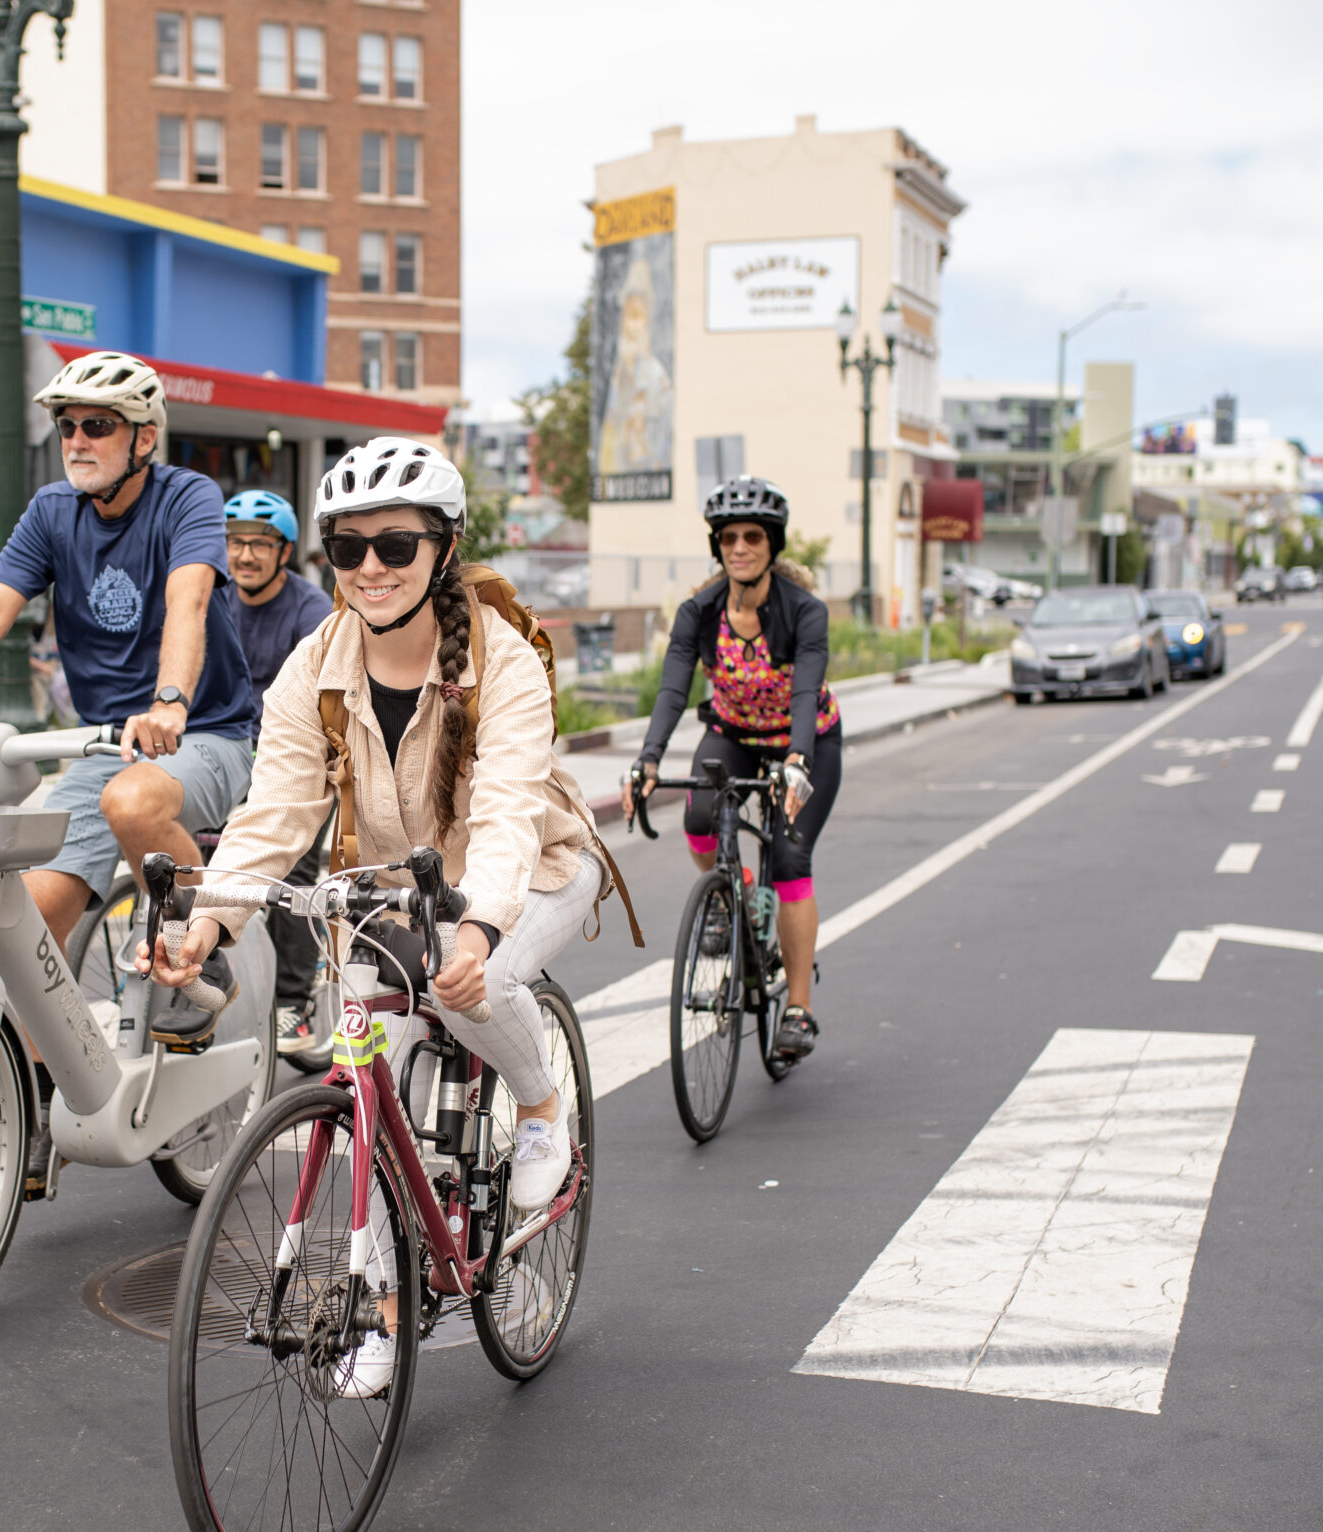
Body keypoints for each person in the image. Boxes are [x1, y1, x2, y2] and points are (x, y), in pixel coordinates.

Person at [152, 438, 610, 1395]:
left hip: (532, 873)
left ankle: (537, 1108)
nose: (369, 569)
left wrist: (482, 928)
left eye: (395, 546)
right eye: (346, 549)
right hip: (391, 889)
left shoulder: (503, 662)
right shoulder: (315, 665)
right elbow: (274, 811)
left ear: (442, 548)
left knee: (474, 989)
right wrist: (211, 921)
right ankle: (389, 1320)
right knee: (381, 1101)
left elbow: (508, 812)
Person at [0, 351, 259, 1044]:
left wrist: (169, 699)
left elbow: (188, 597)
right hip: (107, 740)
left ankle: (204, 952)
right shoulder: (54, 512)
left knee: (132, 802)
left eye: (98, 425)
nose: (76, 439)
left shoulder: (186, 496)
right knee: (25, 926)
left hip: (205, 732)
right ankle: (53, 1098)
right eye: (67, 424)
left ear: (144, 436)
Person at [625, 476, 843, 1067]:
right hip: (736, 733)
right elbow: (674, 688)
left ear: (772, 543)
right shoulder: (699, 611)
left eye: (752, 536)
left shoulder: (805, 612)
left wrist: (797, 761)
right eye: (728, 537)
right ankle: (736, 893)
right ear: (717, 544)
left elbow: (804, 691)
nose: (739, 547)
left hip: (807, 742)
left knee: (792, 858)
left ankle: (797, 1009)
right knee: (697, 816)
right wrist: (648, 758)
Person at [222, 488, 336, 1059]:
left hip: (298, 754)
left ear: (284, 551)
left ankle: (294, 999)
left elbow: (315, 703)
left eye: (259, 543)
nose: (244, 555)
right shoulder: (216, 603)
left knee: (290, 870)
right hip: (229, 748)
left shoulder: (309, 610)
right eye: (235, 542)